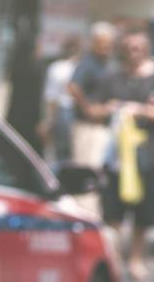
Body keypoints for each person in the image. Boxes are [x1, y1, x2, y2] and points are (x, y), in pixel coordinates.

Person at [93, 29, 154, 282]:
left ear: (147, 49)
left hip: (148, 154)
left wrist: (140, 111)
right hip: (117, 156)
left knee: (144, 211)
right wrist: (108, 109)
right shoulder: (112, 77)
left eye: (139, 48)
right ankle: (116, 258)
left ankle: (136, 259)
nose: (134, 52)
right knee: (113, 210)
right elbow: (96, 108)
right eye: (129, 48)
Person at [68, 22, 117, 175]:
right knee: (88, 169)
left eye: (109, 43)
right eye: (103, 43)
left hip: (105, 124)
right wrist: (88, 107)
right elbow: (73, 86)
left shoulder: (109, 63)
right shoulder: (88, 63)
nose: (106, 47)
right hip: (87, 126)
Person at [41, 36, 82, 164]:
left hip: (72, 114)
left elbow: (51, 98)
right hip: (66, 112)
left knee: (63, 153)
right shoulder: (59, 68)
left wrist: (48, 122)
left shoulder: (60, 67)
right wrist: (49, 122)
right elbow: (52, 99)